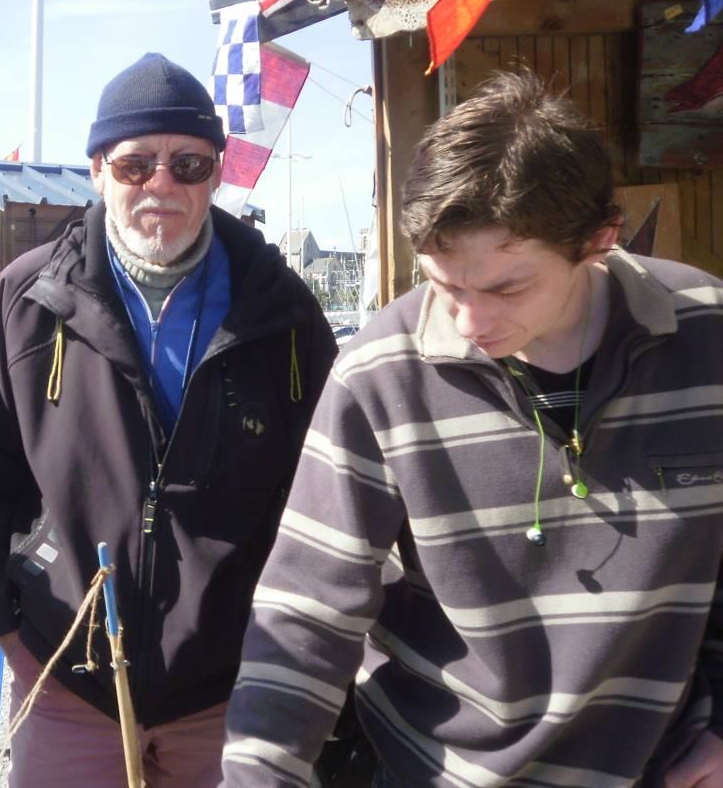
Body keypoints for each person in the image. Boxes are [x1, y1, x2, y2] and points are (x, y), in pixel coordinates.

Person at [221, 72, 723, 788]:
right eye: (445, 284)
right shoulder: (378, 374)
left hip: (665, 767)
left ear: (598, 240)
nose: (468, 321)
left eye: (506, 287)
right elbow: (307, 609)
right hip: (440, 770)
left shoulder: (708, 331)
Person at [0, 52, 337, 788]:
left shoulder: (282, 310)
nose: (161, 184)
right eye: (134, 165)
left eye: (188, 164)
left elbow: (329, 493)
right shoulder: (25, 300)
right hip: (69, 673)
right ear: (98, 171)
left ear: (215, 174)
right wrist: (0, 620)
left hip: (230, 684)